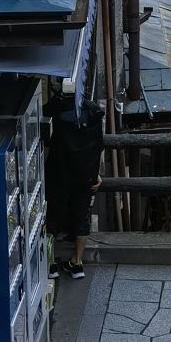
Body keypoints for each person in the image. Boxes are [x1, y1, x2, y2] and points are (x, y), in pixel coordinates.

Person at [45, 100, 104, 279]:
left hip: (59, 172)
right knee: (81, 216)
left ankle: (49, 264)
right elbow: (98, 146)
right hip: (86, 175)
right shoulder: (94, 114)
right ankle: (77, 262)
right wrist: (96, 173)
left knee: (52, 216)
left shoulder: (58, 110)